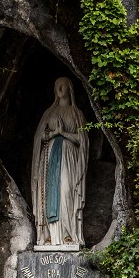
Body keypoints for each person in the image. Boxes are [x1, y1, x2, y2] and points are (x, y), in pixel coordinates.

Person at [31, 77, 89, 249]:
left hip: (68, 157)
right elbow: (39, 138)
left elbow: (83, 140)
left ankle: (69, 234)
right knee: (48, 194)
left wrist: (63, 133)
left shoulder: (77, 113)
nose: (59, 88)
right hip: (49, 157)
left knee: (66, 191)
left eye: (63, 85)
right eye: (57, 86)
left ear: (70, 88)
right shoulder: (49, 114)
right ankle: (49, 236)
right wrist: (52, 134)